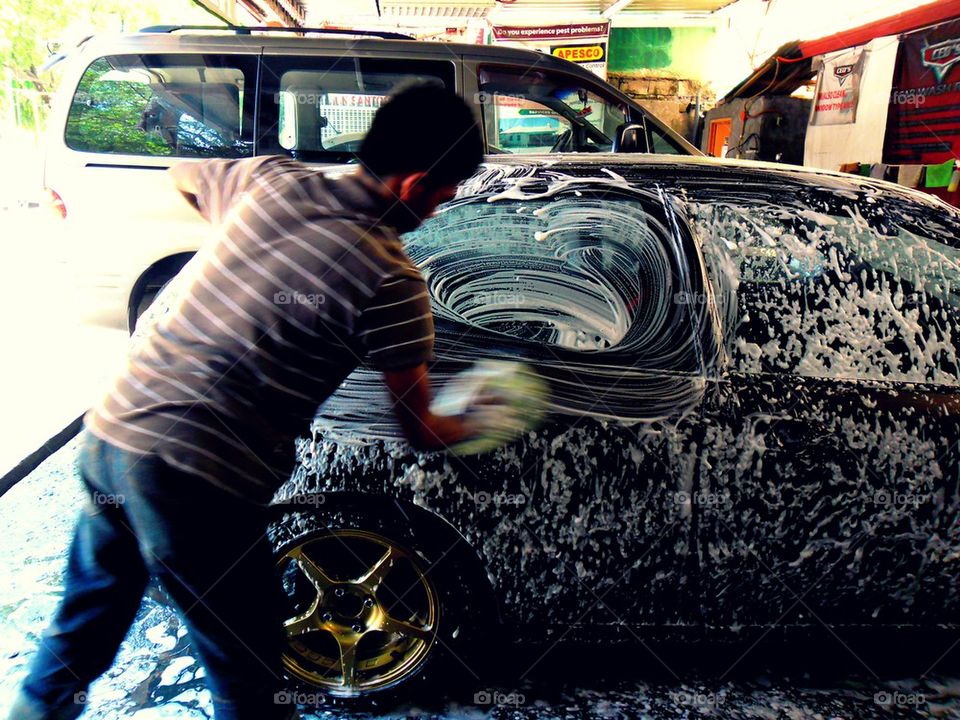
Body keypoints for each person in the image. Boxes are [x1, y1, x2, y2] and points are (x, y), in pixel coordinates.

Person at [9, 83, 484, 720]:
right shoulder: (392, 282)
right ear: (417, 184)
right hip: (197, 479)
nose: (445, 204)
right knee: (250, 674)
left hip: (114, 433)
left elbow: (184, 175)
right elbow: (420, 428)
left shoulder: (268, 181)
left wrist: (244, 251)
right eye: (447, 191)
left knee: (82, 630)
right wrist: (486, 413)